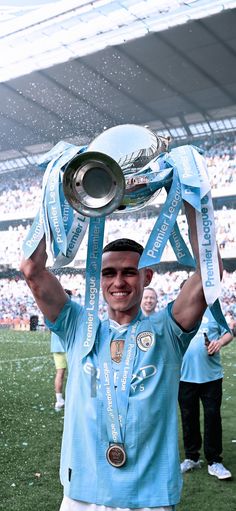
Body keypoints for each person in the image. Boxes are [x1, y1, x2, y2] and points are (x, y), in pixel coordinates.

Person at [20, 199, 222, 511]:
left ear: (148, 277)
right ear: (98, 278)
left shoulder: (168, 331)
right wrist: (59, 193)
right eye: (109, 272)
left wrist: (190, 194)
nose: (118, 282)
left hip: (149, 497)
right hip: (82, 495)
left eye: (130, 272)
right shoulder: (77, 326)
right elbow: (32, 270)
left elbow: (210, 272)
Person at [178, 307, 233, 480]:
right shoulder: (180, 312)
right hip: (184, 377)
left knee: (213, 417)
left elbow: (228, 333)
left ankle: (214, 461)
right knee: (188, 417)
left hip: (211, 377)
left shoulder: (214, 311)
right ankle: (191, 457)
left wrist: (219, 343)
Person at [51, 289, 72, 411]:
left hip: (56, 347)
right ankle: (73, 399)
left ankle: (59, 401)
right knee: (74, 374)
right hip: (68, 346)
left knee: (60, 373)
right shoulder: (70, 310)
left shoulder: (53, 309)